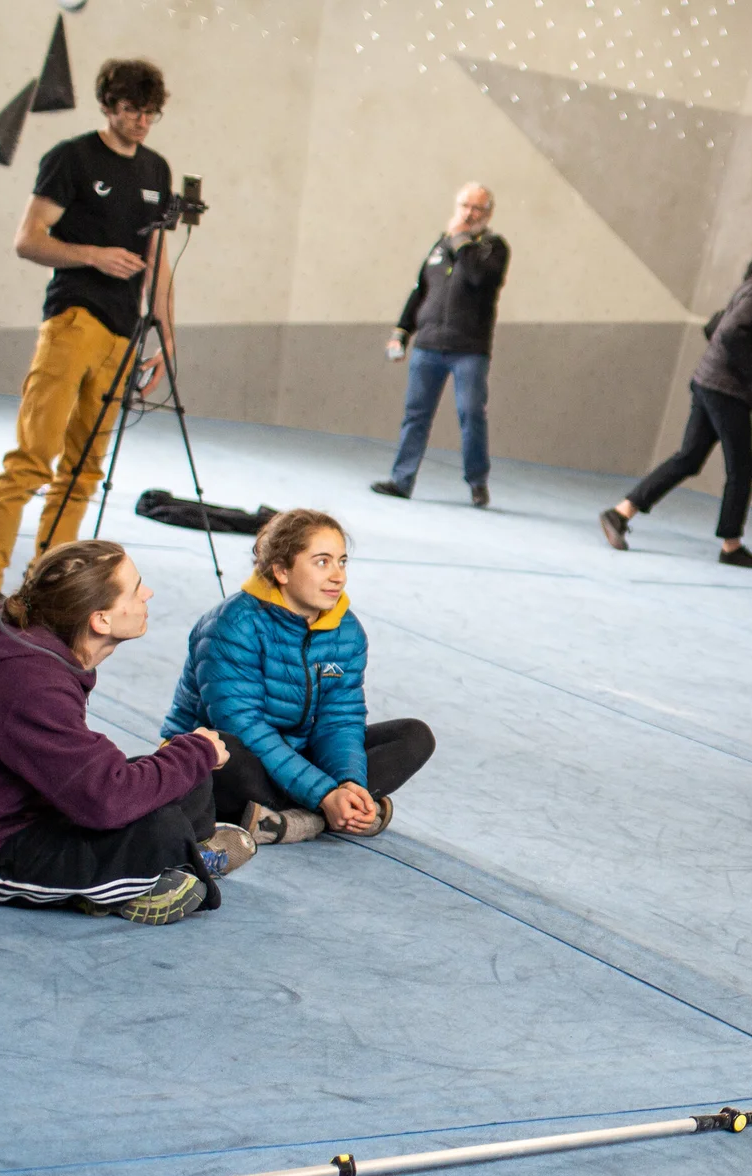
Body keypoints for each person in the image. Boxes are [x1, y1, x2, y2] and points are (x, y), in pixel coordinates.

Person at [0, 541, 251, 925]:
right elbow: (105, 800)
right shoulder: (32, 684)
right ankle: (144, 875)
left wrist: (192, 756)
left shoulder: (36, 647)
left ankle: (178, 855)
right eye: (136, 588)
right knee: (161, 820)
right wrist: (194, 753)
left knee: (190, 774)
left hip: (29, 808)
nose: (148, 593)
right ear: (100, 620)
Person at [0, 60, 176, 622]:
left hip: (124, 335)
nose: (141, 122)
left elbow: (158, 261)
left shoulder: (156, 168)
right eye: (131, 110)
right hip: (73, 321)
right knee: (33, 457)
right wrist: (93, 255)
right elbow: (27, 240)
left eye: (150, 113)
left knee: (84, 470)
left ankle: (47, 587)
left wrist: (168, 339)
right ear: (109, 106)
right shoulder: (72, 157)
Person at [162, 510, 436, 845]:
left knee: (414, 736)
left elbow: (339, 720)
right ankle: (328, 815)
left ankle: (292, 819)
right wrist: (323, 793)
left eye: (342, 562)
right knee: (223, 749)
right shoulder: (232, 624)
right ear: (281, 570)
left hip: (298, 754)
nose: (338, 576)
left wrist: (348, 782)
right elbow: (243, 726)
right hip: (234, 757)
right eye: (322, 562)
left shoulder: (346, 631)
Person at [600, 239, 752, 568]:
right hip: (726, 389)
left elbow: (718, 326)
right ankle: (731, 546)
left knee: (689, 458)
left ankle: (620, 513)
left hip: (710, 380)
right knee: (741, 467)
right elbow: (730, 332)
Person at [371, 185, 511, 508]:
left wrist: (461, 240)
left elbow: (478, 278)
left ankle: (477, 482)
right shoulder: (439, 246)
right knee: (415, 415)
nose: (468, 213)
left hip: (469, 350)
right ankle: (401, 480)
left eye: (477, 208)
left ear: (488, 213)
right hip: (429, 346)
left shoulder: (493, 248)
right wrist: (402, 331)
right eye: (464, 205)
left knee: (471, 414)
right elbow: (421, 291)